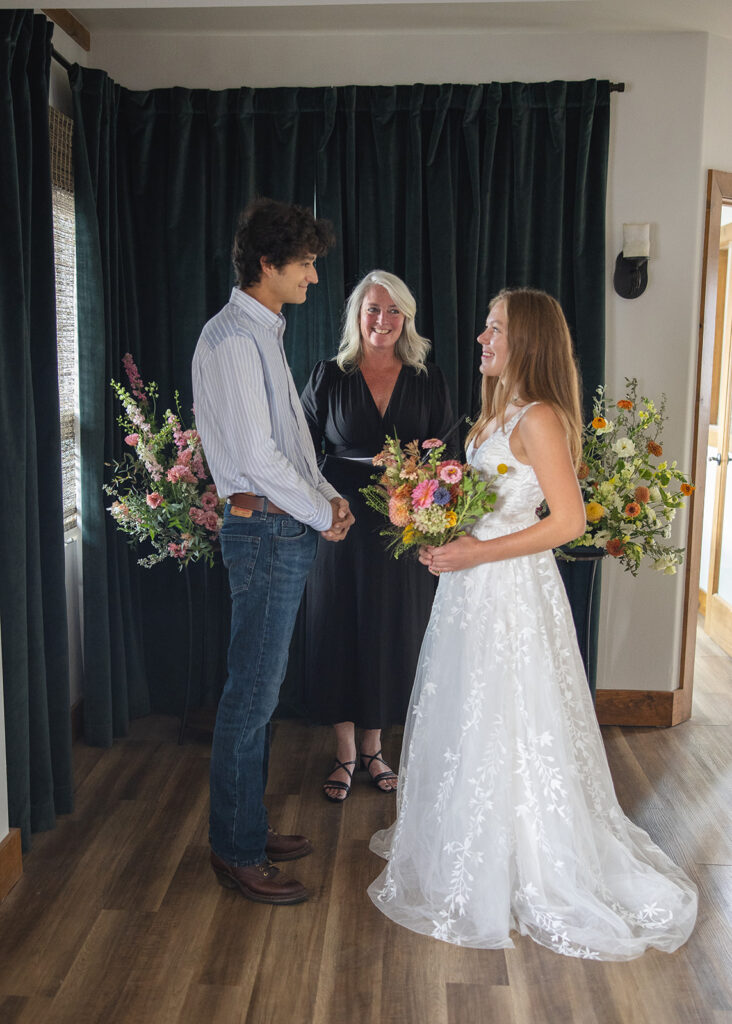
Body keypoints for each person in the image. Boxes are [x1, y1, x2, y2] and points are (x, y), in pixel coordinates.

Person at [368, 288, 698, 958]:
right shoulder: (496, 415)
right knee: (472, 713)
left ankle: (527, 861)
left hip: (511, 592)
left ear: (527, 343)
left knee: (512, 716)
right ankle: (474, 839)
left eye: (494, 329)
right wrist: (446, 533)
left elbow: (568, 522)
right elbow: (489, 504)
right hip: (472, 587)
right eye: (486, 326)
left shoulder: (540, 418)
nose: (481, 339)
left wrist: (475, 550)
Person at [192, 197, 355, 906]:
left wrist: (328, 497)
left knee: (259, 694)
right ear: (269, 263)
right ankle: (235, 850)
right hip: (263, 532)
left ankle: (248, 830)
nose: (314, 277)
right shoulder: (233, 338)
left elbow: (289, 441)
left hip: (279, 527)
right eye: (307, 263)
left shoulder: (264, 331)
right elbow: (256, 457)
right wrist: (321, 511)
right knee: (250, 698)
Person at [300, 270, 454, 802]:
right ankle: (344, 753)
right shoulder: (329, 374)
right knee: (340, 626)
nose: (382, 321)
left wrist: (429, 509)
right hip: (340, 519)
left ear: (405, 317)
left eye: (392, 311)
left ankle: (375, 748)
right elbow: (301, 450)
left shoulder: (427, 378)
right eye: (372, 310)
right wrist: (321, 507)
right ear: (357, 316)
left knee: (391, 630)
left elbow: (446, 456)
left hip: (403, 523)